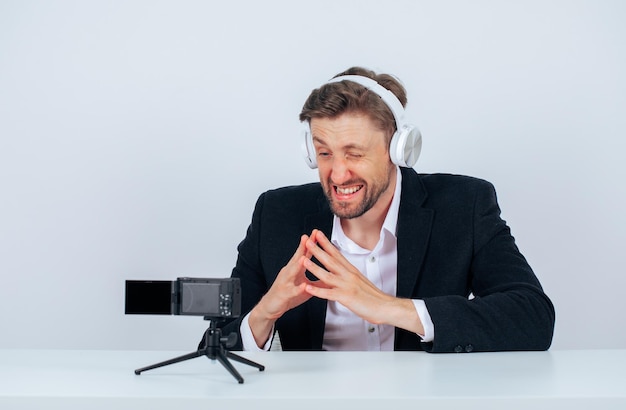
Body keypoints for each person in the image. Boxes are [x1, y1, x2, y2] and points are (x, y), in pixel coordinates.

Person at [205, 66, 555, 353]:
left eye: (354, 153)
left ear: (399, 150)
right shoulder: (277, 214)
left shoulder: (464, 205)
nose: (338, 174)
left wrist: (386, 306)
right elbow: (212, 346)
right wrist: (265, 313)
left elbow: (533, 318)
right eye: (324, 153)